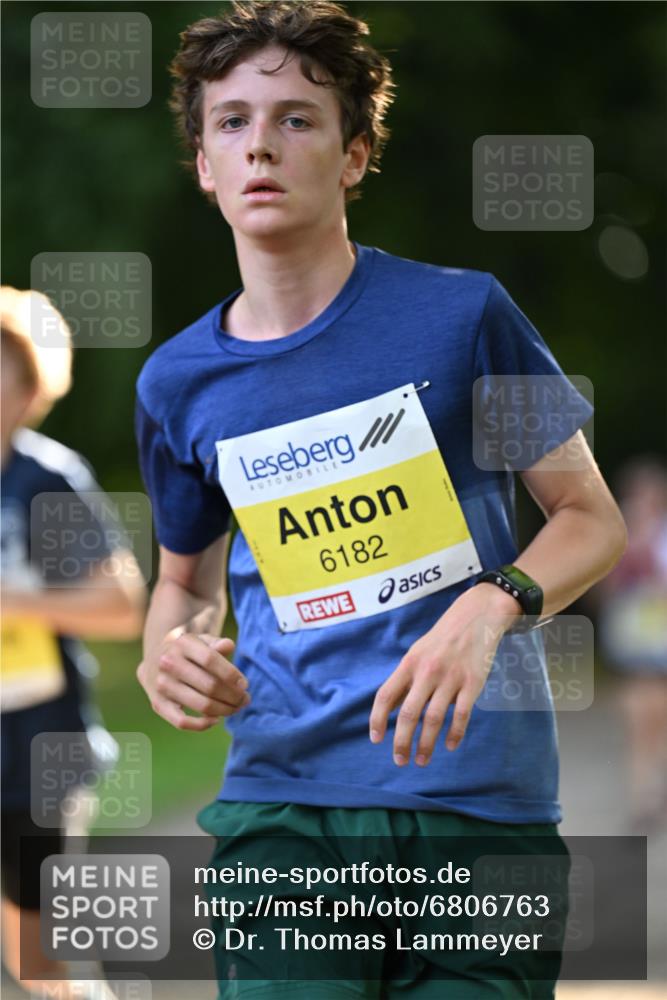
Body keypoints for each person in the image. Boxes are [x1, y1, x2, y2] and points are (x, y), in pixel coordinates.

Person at [134, 3, 627, 997]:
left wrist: (491, 606)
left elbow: (590, 519)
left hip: (478, 807)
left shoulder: (462, 314)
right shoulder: (177, 383)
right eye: (230, 122)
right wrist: (170, 657)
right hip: (283, 805)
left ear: (354, 156)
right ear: (203, 165)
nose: (261, 144)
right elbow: (182, 585)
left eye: (296, 119)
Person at [1, 287, 146, 999]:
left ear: (32, 390)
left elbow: (122, 607)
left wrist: (14, 599)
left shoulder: (44, 483)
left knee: (40, 964)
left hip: (37, 753)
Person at [595, 457, 667, 831]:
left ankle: (651, 786)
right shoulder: (618, 532)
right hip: (634, 634)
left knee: (655, 713)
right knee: (640, 714)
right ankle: (644, 793)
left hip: (659, 631)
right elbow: (603, 585)